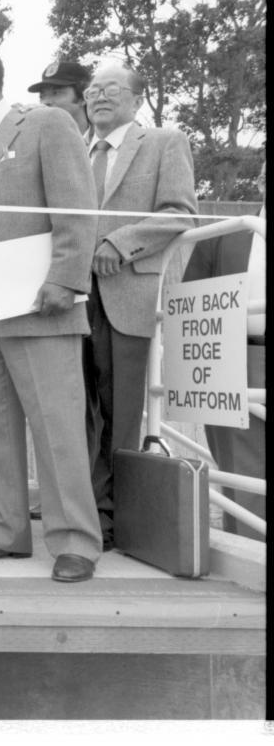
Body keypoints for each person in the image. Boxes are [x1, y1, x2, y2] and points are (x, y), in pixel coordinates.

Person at [0, 40, 101, 583]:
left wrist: (67, 279)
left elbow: (76, 206)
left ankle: (75, 540)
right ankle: (3, 531)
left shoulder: (47, 123)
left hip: (39, 304)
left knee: (57, 427)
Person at [83, 63, 198, 548]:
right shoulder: (72, 148)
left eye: (110, 89)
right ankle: (86, 513)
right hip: (67, 297)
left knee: (122, 413)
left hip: (126, 292)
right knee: (78, 412)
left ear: (136, 99)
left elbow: (180, 212)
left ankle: (120, 522)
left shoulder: (164, 142)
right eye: (91, 90)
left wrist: (121, 241)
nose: (98, 97)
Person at [182, 191, 265, 540]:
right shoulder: (222, 233)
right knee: (241, 472)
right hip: (235, 358)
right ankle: (251, 553)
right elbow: (192, 298)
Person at [27, 61, 92, 138]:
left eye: (56, 93)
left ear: (83, 97)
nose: (45, 102)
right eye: (42, 96)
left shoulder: (103, 140)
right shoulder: (36, 142)